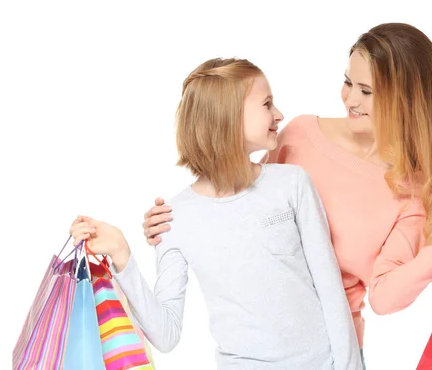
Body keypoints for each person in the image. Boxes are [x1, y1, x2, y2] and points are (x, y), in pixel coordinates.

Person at [142, 24, 432, 368]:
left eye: (366, 91)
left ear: (406, 100)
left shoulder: (409, 190)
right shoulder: (300, 135)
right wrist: (173, 225)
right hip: (256, 353)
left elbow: (384, 297)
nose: (349, 99)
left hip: (337, 356)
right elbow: (237, 202)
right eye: (347, 82)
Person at [70, 58, 363, 370]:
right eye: (266, 104)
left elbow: (330, 290)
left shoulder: (291, 183)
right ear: (229, 118)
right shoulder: (175, 217)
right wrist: (122, 254)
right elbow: (166, 334)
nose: (278, 114)